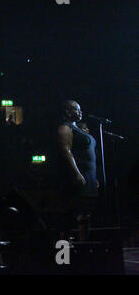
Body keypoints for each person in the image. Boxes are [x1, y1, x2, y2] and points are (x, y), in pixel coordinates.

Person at [56, 100, 99, 241]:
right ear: (68, 112)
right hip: (79, 175)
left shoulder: (80, 128)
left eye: (80, 109)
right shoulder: (65, 128)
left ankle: (84, 244)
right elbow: (66, 151)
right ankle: (66, 251)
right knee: (77, 212)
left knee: (86, 213)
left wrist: (94, 177)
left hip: (89, 175)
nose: (80, 112)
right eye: (76, 109)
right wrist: (77, 173)